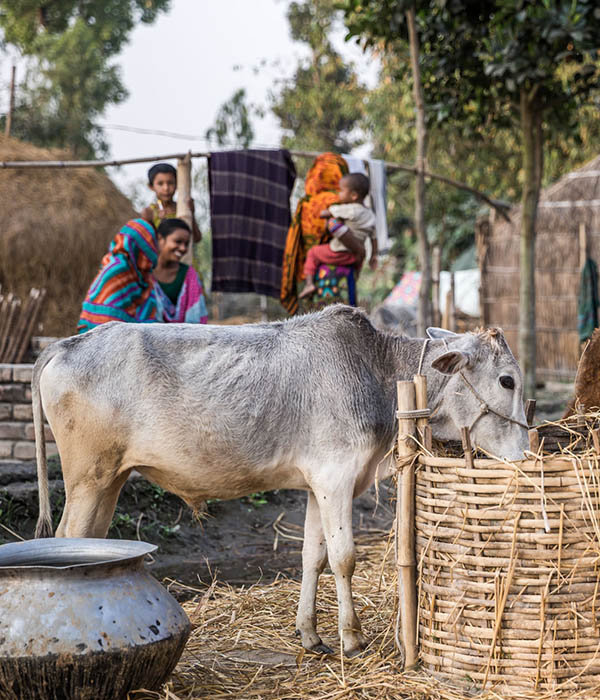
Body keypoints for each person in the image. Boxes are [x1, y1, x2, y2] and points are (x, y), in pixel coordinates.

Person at [280, 152, 366, 315]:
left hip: (314, 272)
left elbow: (295, 242)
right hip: (342, 273)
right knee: (345, 326)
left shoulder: (304, 204)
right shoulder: (343, 201)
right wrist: (360, 251)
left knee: (315, 325)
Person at [299, 173, 377, 299]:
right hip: (355, 258)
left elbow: (324, 213)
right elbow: (374, 238)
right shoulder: (371, 215)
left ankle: (309, 284)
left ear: (353, 195)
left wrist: (330, 207)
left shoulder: (350, 209)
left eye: (341, 191)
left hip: (338, 253)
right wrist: (373, 256)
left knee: (313, 252)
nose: (338, 194)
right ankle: (354, 277)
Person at [78, 219, 160, 333]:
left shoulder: (142, 278)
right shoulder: (117, 269)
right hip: (101, 338)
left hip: (130, 340)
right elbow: (105, 321)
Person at [153, 218, 208, 323]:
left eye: (186, 244)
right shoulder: (144, 274)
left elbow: (198, 320)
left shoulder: (189, 276)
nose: (183, 248)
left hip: (186, 338)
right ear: (160, 239)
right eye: (178, 241)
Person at [140, 162, 202, 244]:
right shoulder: (149, 212)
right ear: (151, 186)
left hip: (185, 256)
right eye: (160, 184)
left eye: (170, 183)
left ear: (177, 185)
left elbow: (196, 238)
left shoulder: (183, 208)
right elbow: (147, 243)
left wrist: (191, 214)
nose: (166, 188)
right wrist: (162, 225)